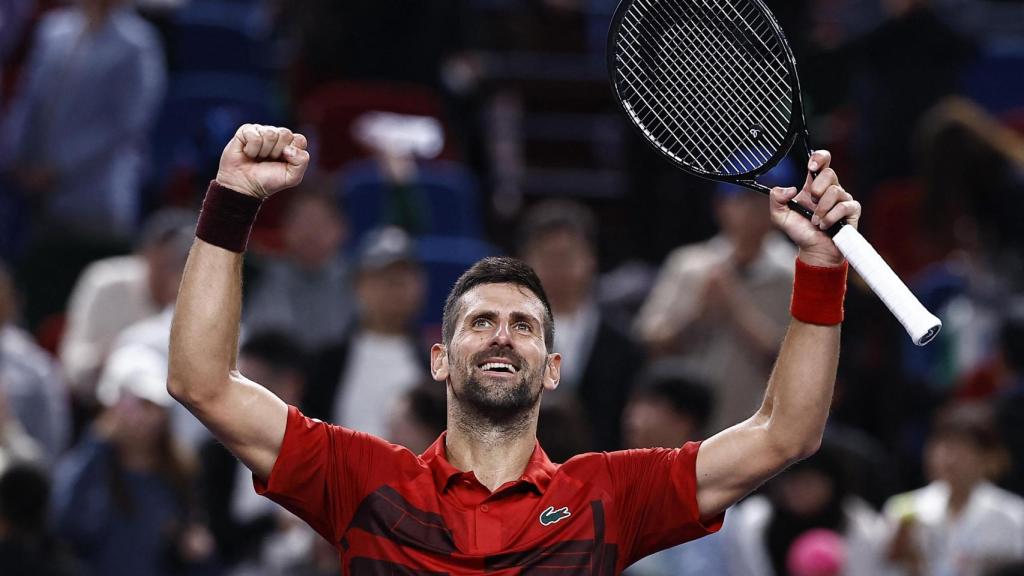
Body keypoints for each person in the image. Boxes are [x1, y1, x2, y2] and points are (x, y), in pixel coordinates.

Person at [168, 124, 860, 573]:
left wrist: (823, 269)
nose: (503, 333)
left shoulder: (608, 494)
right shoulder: (365, 479)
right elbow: (203, 382)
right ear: (439, 358)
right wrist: (231, 200)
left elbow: (786, 434)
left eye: (525, 325)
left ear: (552, 370)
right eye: (480, 322)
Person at [634, 162, 797, 433]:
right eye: (743, 199)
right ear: (721, 206)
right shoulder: (688, 265)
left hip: (760, 429)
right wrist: (699, 315)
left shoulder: (795, 272)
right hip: (686, 429)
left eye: (764, 200)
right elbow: (650, 342)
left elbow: (797, 363)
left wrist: (735, 309)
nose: (754, 211)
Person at [518, 199, 642, 451]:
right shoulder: (503, 339)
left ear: (590, 259)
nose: (557, 268)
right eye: (547, 257)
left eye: (566, 256)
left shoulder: (622, 342)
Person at [302, 225, 428, 438]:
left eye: (404, 277)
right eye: (384, 277)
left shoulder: (435, 364)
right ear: (358, 285)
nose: (395, 286)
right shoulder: (328, 364)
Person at [883, 403, 1024, 576]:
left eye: (962, 449)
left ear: (989, 457)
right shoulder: (903, 508)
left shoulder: (1014, 515)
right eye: (944, 447)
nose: (950, 460)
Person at [243, 187, 355, 353]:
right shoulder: (254, 274)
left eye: (320, 222)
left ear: (342, 229)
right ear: (284, 227)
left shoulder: (359, 279)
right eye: (302, 220)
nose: (310, 232)